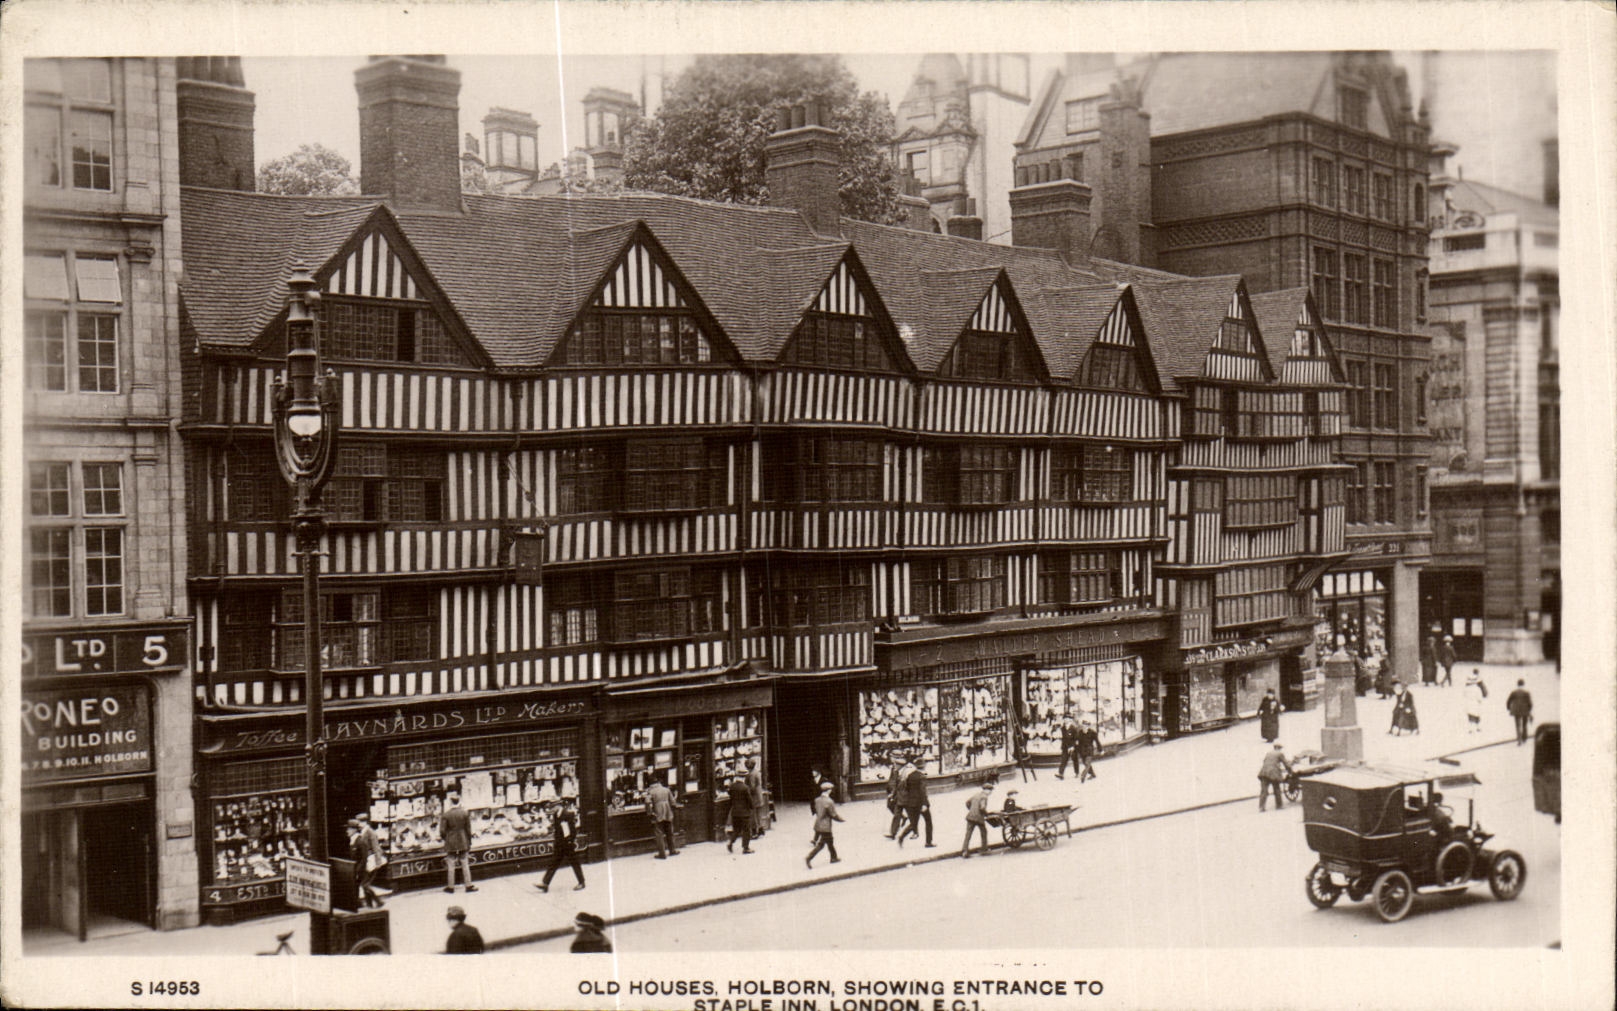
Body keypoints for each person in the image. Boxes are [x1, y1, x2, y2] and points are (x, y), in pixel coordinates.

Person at [536, 798, 585, 892]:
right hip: (560, 844)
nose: (552, 809)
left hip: (567, 844)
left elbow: (572, 830)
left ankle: (581, 882)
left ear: (559, 806)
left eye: (553, 807)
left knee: (574, 863)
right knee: (553, 863)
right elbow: (558, 830)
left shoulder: (567, 814)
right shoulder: (556, 815)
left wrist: (570, 841)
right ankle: (545, 884)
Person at [439, 792, 476, 894]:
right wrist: (469, 840)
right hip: (463, 840)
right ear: (459, 802)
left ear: (450, 803)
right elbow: (468, 829)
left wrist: (446, 838)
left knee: (451, 864)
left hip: (451, 841)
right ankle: (468, 885)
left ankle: (451, 887)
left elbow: (442, 831)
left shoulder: (446, 815)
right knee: (465, 863)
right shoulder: (464, 813)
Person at [895, 757, 934, 848]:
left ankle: (901, 837)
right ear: (923, 765)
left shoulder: (910, 775)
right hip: (920, 803)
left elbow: (907, 788)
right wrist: (924, 804)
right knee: (928, 822)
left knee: (913, 823)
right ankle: (928, 842)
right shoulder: (922, 776)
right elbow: (922, 791)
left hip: (911, 803)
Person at [804, 781, 844, 868]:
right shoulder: (829, 801)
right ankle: (809, 857)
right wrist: (841, 820)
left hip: (818, 824)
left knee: (830, 842)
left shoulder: (817, 800)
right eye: (831, 789)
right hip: (826, 826)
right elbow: (833, 815)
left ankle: (833, 857)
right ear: (828, 790)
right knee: (821, 845)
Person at [351, 814, 386, 908]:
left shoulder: (370, 832)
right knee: (364, 883)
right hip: (367, 861)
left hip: (371, 861)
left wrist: (378, 862)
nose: (358, 824)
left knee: (365, 884)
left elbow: (376, 847)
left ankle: (378, 901)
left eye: (359, 822)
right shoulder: (363, 832)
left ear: (364, 822)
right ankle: (369, 904)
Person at [646, 778, 681, 859]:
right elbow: (673, 802)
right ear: (659, 783)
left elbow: (648, 802)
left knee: (659, 834)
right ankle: (672, 850)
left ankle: (662, 854)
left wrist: (650, 813)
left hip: (657, 814)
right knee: (670, 832)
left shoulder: (650, 792)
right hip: (668, 813)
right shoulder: (666, 790)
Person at [960, 780, 995, 858]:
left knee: (968, 834)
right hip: (979, 818)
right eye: (990, 790)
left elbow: (967, 802)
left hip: (970, 817)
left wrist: (972, 809)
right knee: (984, 832)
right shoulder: (984, 797)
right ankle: (984, 848)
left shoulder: (976, 795)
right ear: (986, 790)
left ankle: (964, 851)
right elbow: (982, 808)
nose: (991, 792)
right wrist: (986, 814)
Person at [1257, 743, 1292, 812]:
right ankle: (1279, 805)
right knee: (1276, 788)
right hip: (1273, 773)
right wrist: (1290, 771)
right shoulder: (1280, 754)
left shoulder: (1268, 753)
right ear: (1279, 748)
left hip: (1264, 772)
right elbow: (1286, 764)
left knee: (1264, 790)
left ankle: (1261, 807)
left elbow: (1265, 762)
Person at [725, 774, 755, 854]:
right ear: (743, 778)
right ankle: (745, 848)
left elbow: (730, 800)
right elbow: (749, 799)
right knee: (746, 830)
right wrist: (752, 807)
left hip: (735, 812)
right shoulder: (745, 787)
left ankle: (730, 842)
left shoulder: (732, 787)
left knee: (737, 830)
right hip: (744, 813)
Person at [883, 760, 908, 839]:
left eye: (896, 765)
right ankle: (893, 833)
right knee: (896, 812)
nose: (895, 766)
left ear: (900, 765)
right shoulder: (895, 771)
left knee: (912, 814)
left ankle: (914, 830)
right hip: (897, 795)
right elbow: (893, 782)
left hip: (905, 796)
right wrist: (892, 793)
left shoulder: (904, 772)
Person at [1506, 679, 1534, 745]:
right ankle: (1524, 738)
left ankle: (1519, 740)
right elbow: (1530, 703)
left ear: (1517, 684)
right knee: (1524, 724)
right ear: (1523, 684)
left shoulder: (1514, 692)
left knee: (1518, 725)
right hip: (1525, 710)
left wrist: (1508, 708)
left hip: (1516, 711)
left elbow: (1508, 701)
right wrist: (1529, 710)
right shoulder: (1526, 692)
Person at [745, 758, 767, 838]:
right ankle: (761, 829)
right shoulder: (757, 772)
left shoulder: (751, 774)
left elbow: (752, 787)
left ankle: (754, 832)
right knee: (758, 814)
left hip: (754, 797)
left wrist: (746, 792)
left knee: (753, 815)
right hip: (759, 796)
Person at [1463, 669, 1488, 733]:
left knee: (1470, 716)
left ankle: (1470, 729)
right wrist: (1480, 701)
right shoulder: (1477, 689)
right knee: (1477, 716)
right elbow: (1479, 697)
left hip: (1468, 703)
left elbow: (1464, 695)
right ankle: (1478, 727)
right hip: (1475, 703)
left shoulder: (1467, 688)